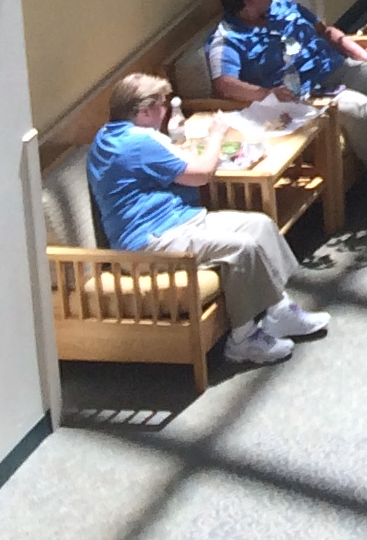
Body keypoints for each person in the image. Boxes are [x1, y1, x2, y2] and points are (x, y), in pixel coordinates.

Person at [88, 72, 329, 369]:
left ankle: (279, 311)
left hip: (177, 222)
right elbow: (201, 174)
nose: (165, 112)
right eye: (161, 105)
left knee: (261, 226)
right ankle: (243, 340)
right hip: (151, 242)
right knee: (241, 247)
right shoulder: (139, 142)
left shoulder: (108, 136)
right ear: (144, 111)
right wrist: (217, 135)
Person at [208, 0, 367, 212]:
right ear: (248, 0)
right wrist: (266, 94)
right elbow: (224, 84)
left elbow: (326, 31)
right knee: (360, 109)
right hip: (302, 95)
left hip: (333, 66)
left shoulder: (282, 4)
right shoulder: (227, 39)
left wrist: (365, 56)